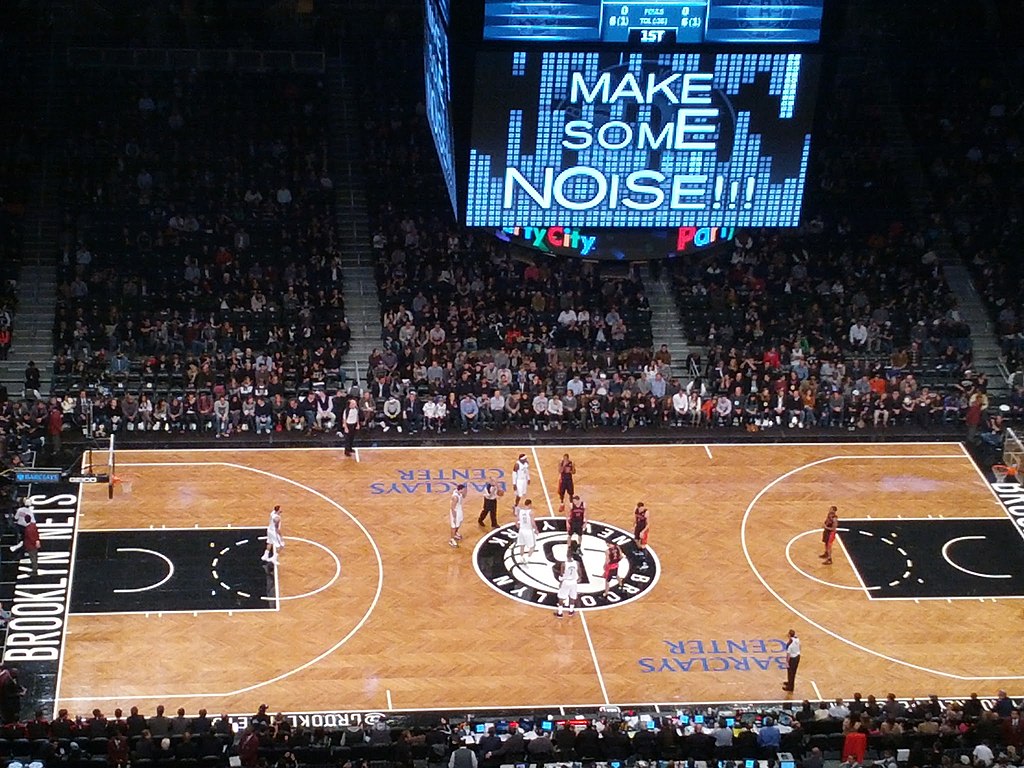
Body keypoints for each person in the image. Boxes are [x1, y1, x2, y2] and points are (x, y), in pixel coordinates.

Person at [555, 547, 581, 618]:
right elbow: (580, 574)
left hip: (566, 582)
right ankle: (571, 611)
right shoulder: (577, 563)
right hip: (573, 582)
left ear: (567, 555)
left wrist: (560, 581)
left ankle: (560, 613)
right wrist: (578, 579)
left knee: (561, 597)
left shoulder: (564, 564)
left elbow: (561, 574)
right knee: (572, 597)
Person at [634, 501, 651, 570]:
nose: (640, 510)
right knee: (636, 540)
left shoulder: (646, 512)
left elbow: (648, 524)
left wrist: (643, 532)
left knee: (643, 545)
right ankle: (640, 552)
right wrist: (634, 525)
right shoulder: (636, 510)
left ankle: (645, 563)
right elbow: (635, 519)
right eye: (639, 508)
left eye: (641, 508)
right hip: (638, 527)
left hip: (644, 529)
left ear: (643, 507)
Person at [449, 484, 467, 548]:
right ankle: (452, 539)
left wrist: (465, 492)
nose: (465, 490)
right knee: (453, 526)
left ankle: (455, 533)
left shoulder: (460, 493)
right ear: (461, 489)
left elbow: (464, 496)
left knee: (459, 523)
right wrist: (454, 517)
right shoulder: (455, 497)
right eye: (464, 489)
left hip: (459, 510)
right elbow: (452, 508)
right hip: (455, 512)